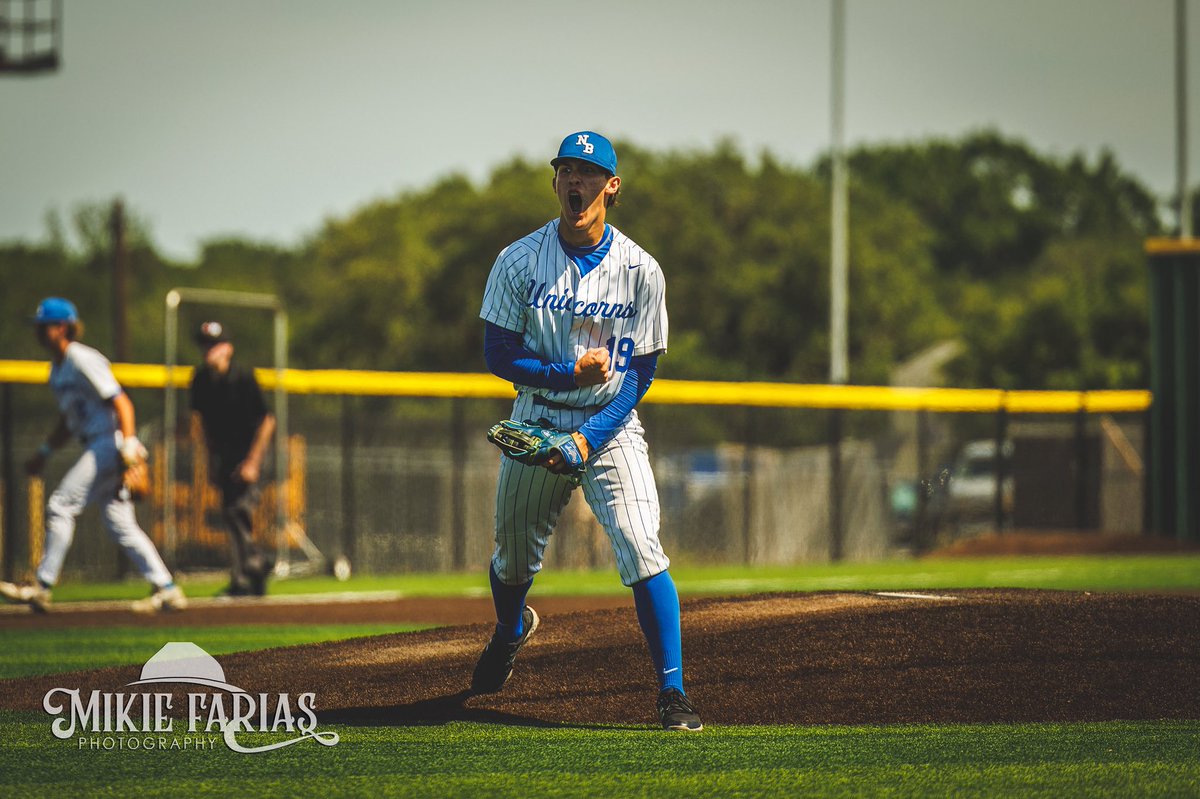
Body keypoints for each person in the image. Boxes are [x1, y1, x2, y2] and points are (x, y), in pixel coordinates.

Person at [471, 131, 702, 731]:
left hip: (611, 422)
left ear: (611, 186)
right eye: (566, 170)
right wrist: (561, 374)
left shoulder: (641, 271)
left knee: (640, 543)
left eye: (589, 173)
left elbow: (642, 373)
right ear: (555, 182)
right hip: (539, 416)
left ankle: (672, 693)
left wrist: (590, 436)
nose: (576, 182)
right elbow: (498, 354)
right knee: (513, 557)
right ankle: (510, 628)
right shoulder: (517, 261)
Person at [0, 298, 186, 613]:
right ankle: (167, 587)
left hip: (108, 443)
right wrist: (44, 452)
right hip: (96, 442)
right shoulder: (56, 370)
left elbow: (122, 402)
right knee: (120, 523)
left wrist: (128, 444)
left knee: (60, 505)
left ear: (62, 328)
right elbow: (68, 422)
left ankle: (42, 586)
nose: (40, 332)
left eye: (45, 326)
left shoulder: (81, 358)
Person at [189, 320, 276, 596]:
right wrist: (209, 460)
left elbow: (267, 421)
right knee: (231, 514)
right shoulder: (201, 380)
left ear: (228, 348)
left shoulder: (243, 376)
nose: (208, 350)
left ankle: (250, 569)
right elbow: (201, 423)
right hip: (224, 455)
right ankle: (253, 572)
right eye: (205, 345)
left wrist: (252, 462)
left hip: (252, 452)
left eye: (214, 345)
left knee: (238, 510)